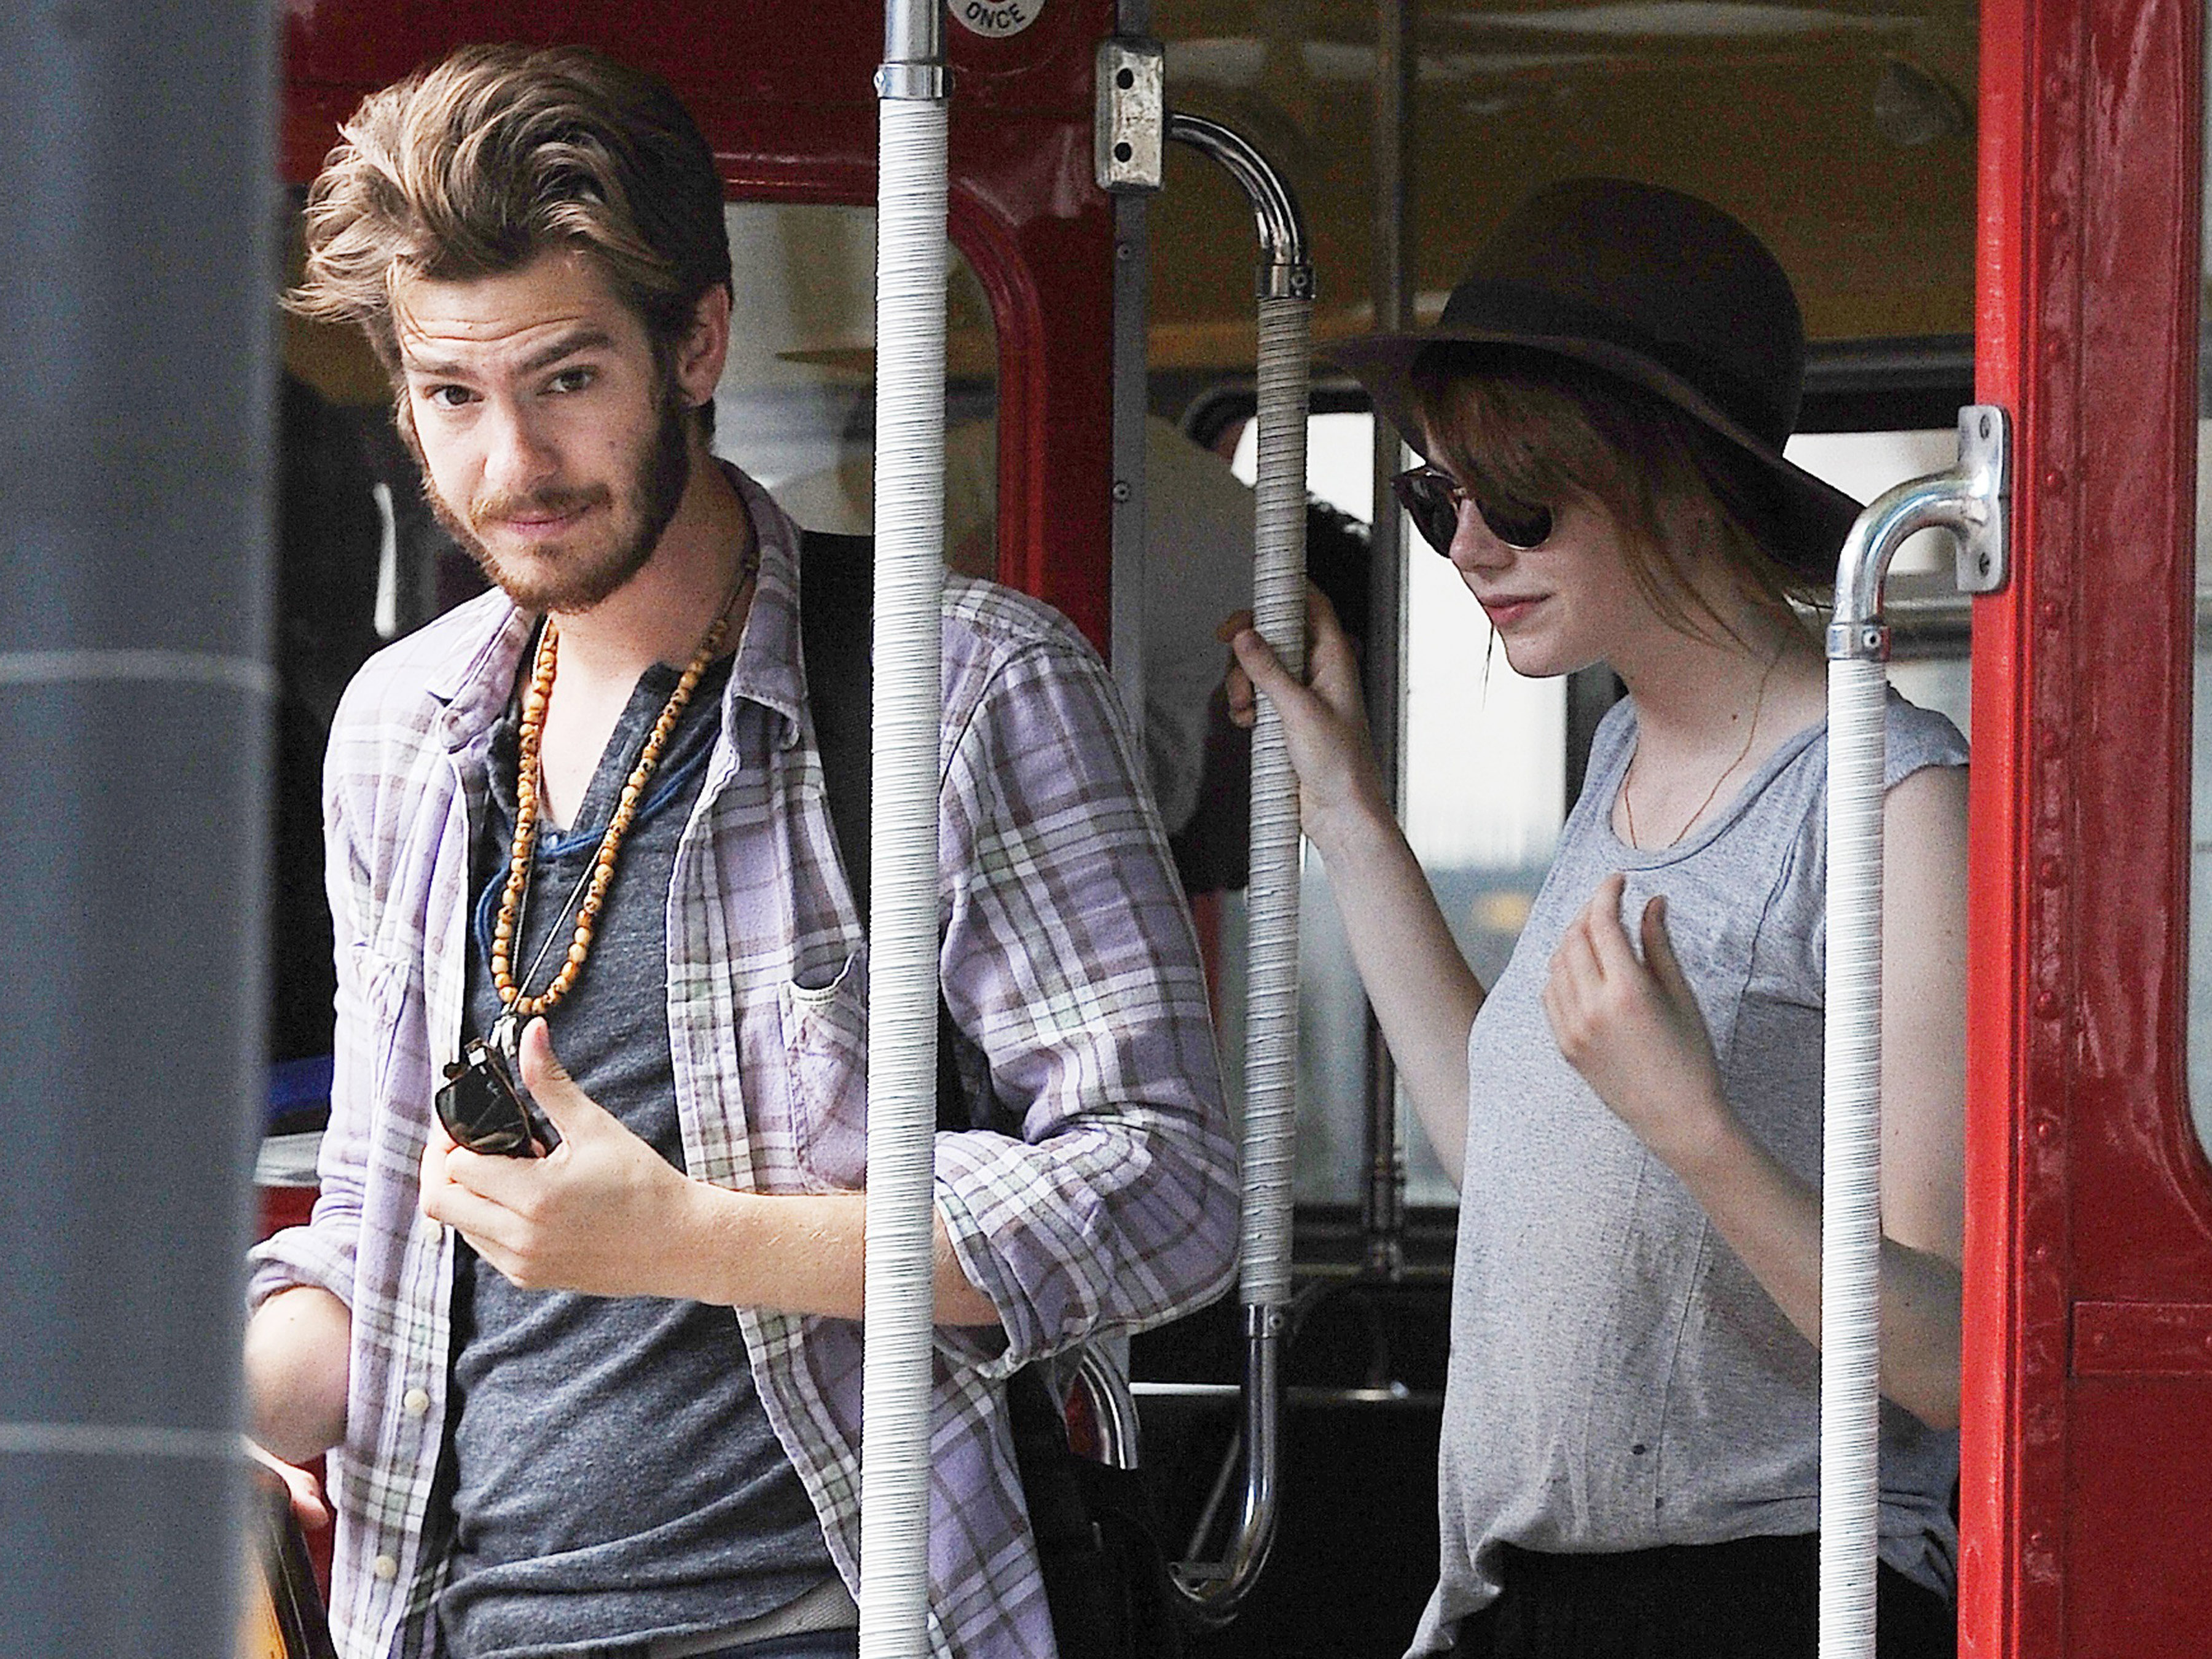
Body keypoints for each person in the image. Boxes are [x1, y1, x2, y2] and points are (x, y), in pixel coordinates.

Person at [243, 44, 1237, 1659]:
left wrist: (690, 1239)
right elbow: (375, 1249)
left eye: (569, 379)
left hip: (811, 1620)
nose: (511, 466)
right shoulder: (400, 732)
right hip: (445, 1625)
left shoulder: (961, 688)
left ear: (696, 341)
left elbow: (1170, 1183)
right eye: (453, 396)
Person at [1226, 178, 1967, 1657]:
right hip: (1533, 1592)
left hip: (1765, 1595)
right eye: (1439, 501)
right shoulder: (1627, 750)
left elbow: (1952, 1358)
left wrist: (1695, 1127)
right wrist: (1347, 812)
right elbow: (1503, 1147)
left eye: (1518, 503)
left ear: (1685, 485)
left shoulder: (1889, 800)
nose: (1469, 552)